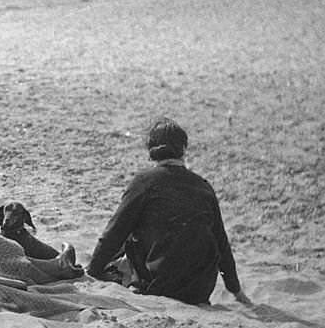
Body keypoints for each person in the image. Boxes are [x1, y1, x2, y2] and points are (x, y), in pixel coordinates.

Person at [86, 117, 250, 306]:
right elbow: (222, 244)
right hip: (199, 290)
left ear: (151, 152)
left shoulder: (144, 182)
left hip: (161, 286)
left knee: (128, 234)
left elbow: (114, 233)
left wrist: (91, 273)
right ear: (183, 150)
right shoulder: (203, 186)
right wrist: (236, 291)